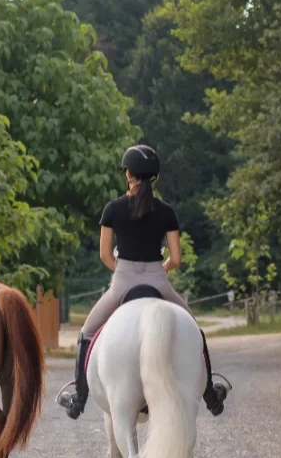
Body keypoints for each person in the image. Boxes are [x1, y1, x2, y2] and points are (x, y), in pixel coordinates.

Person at [59, 144, 217, 420]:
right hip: (158, 279)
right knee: (195, 331)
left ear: (128, 174)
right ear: (153, 176)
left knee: (86, 332)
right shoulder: (167, 211)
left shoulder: (113, 209)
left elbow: (105, 254)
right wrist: (160, 269)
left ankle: (79, 398)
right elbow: (176, 258)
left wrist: (124, 271)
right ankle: (211, 393)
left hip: (123, 281)